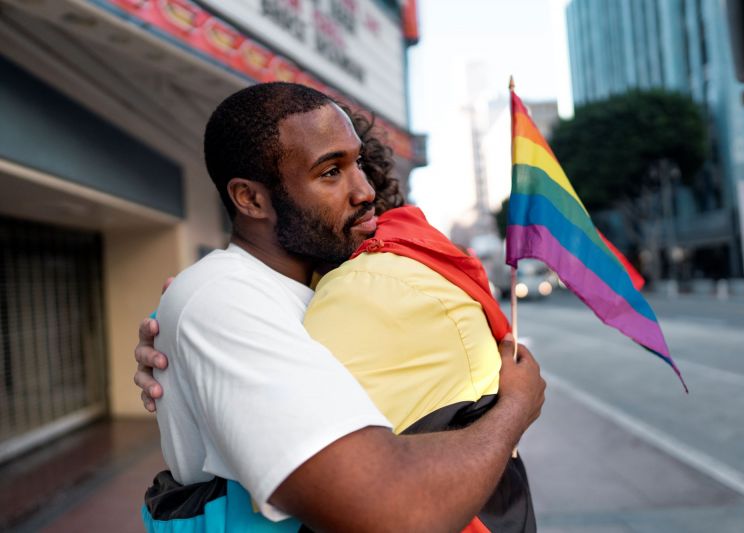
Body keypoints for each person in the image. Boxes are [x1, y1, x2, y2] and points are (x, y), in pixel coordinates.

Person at [135, 82, 545, 532]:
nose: (365, 191)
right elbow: (386, 511)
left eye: (358, 163)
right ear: (250, 198)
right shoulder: (222, 298)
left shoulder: (317, 292)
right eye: (330, 172)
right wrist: (514, 408)